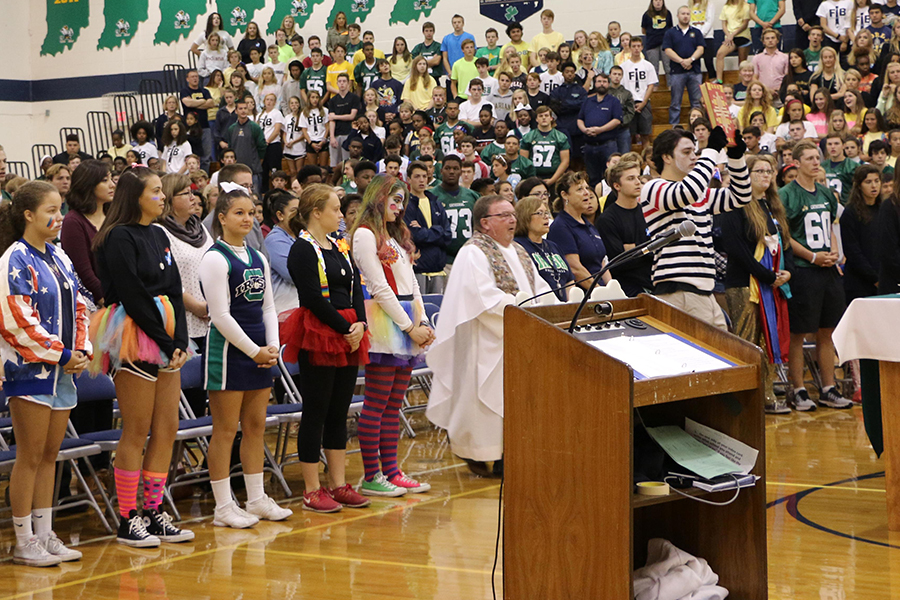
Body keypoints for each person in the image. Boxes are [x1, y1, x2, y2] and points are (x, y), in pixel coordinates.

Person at [91, 167, 193, 546]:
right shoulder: (118, 236)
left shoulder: (159, 233)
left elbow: (176, 288)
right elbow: (132, 293)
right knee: (137, 428)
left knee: (166, 428)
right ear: (135, 196)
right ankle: (127, 516)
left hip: (166, 331)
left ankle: (152, 511)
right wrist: (165, 342)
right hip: (134, 330)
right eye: (155, 191)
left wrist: (179, 340)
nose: (162, 196)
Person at [0, 181, 91, 566]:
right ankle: (24, 541)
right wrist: (63, 354)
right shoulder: (13, 259)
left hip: (63, 369)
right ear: (28, 215)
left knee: (51, 454)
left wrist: (82, 349)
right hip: (29, 371)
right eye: (50, 211)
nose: (59, 218)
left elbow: (81, 304)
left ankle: (45, 532)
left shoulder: (59, 256)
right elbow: (15, 322)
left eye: (61, 209)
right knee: (31, 455)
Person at [427, 194, 550, 476]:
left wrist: (547, 306)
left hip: (520, 338)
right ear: (484, 223)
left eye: (513, 214)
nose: (512, 220)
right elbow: (481, 297)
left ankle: (513, 453)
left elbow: (538, 287)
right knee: (486, 402)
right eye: (503, 215)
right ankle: (483, 456)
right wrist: (523, 309)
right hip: (486, 342)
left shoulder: (519, 251)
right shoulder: (473, 252)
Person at [199, 186, 292, 528]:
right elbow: (219, 316)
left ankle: (255, 498)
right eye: (239, 213)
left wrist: (272, 347)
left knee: (255, 427)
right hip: (228, 352)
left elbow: (268, 305)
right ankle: (223, 505)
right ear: (221, 217)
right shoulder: (214, 257)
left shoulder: (258, 257)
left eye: (251, 213)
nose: (247, 219)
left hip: (259, 352)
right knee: (225, 430)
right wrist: (254, 352)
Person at [281, 184, 371, 512]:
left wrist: (360, 324)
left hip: (349, 332)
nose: (340, 215)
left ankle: (339, 484)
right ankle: (311, 488)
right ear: (316, 212)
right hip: (321, 331)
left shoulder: (339, 245)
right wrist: (345, 327)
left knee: (339, 410)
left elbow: (356, 289)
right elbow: (312, 299)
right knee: (316, 411)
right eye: (335, 209)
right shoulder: (302, 250)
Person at [351, 175, 434, 495]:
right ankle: (372, 475)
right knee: (376, 403)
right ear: (378, 198)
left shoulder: (396, 236)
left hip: (406, 321)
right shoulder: (363, 235)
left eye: (403, 201)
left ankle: (392, 470)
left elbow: (412, 286)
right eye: (394, 200)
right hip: (385, 323)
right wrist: (409, 326)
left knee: (393, 404)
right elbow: (378, 288)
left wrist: (423, 322)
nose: (399, 207)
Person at [641, 127, 751, 329]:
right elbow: (686, 192)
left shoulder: (700, 195)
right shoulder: (653, 188)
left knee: (722, 357)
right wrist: (711, 151)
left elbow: (741, 196)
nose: (694, 157)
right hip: (679, 291)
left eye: (695, 151)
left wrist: (736, 157)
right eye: (686, 152)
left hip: (705, 291)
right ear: (666, 157)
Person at [716, 154, 793, 414]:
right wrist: (767, 275)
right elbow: (736, 248)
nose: (765, 175)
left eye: (769, 171)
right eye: (758, 171)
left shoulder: (772, 206)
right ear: (745, 176)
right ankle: (746, 398)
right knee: (747, 340)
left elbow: (783, 245)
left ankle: (767, 394)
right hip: (744, 283)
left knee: (767, 337)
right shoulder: (734, 205)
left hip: (771, 284)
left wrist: (786, 273)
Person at [780, 138, 853, 411]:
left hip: (827, 270)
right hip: (804, 270)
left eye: (817, 157)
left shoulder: (825, 194)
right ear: (796, 163)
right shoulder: (786, 194)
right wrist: (812, 256)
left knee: (828, 331)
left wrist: (833, 253)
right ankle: (797, 389)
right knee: (799, 332)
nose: (815, 162)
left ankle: (828, 387)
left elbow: (832, 228)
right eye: (809, 158)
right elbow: (785, 236)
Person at [157, 173, 213, 355]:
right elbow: (166, 279)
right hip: (184, 320)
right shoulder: (160, 232)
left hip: (212, 317)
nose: (193, 198)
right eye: (185, 193)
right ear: (169, 198)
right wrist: (196, 306)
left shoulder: (199, 227)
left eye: (193, 192)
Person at [60, 160, 114, 310]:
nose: (112, 185)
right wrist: (109, 302)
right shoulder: (73, 221)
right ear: (88, 185)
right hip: (99, 304)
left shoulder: (113, 215)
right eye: (105, 180)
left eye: (111, 178)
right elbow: (84, 272)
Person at [596, 157, 653, 297]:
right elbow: (619, 262)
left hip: (654, 281)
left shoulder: (648, 212)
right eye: (631, 178)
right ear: (617, 186)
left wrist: (634, 248)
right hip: (628, 288)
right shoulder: (607, 219)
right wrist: (647, 248)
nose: (637, 182)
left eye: (638, 177)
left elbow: (659, 249)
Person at [548, 170, 611, 289]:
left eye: (586, 188)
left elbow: (601, 263)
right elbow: (575, 268)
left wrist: (612, 288)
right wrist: (598, 291)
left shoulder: (589, 225)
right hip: (582, 295)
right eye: (579, 189)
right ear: (565, 195)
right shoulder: (561, 226)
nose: (586, 193)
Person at [514, 194, 574, 300]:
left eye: (546, 212)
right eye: (539, 213)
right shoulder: (518, 246)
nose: (546, 217)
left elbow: (569, 281)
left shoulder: (553, 246)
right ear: (525, 217)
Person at [404, 161, 452, 294]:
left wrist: (425, 231)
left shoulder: (436, 203)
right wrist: (437, 232)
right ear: (408, 179)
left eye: (424, 176)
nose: (421, 180)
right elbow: (414, 235)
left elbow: (447, 236)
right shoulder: (407, 205)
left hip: (438, 268)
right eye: (417, 176)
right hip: (418, 269)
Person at [841, 164, 882, 303]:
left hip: (884, 279)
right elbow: (852, 251)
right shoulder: (850, 213)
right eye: (868, 182)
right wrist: (874, 278)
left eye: (877, 181)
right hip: (858, 283)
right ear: (859, 185)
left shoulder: (885, 209)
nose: (874, 186)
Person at [430, 155, 481, 267]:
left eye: (455, 169)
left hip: (470, 258)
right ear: (441, 170)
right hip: (444, 260)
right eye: (448, 168)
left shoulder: (472, 196)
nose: (451, 172)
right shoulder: (431, 196)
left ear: (460, 171)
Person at [577, 72, 624, 189]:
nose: (601, 84)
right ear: (595, 84)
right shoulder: (588, 101)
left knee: (610, 176)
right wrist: (584, 130)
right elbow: (579, 119)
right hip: (589, 145)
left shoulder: (614, 101)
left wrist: (600, 130)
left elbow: (617, 120)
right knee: (592, 177)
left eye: (604, 81)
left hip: (607, 145)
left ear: (608, 84)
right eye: (599, 81)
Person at [664, 5, 705, 125]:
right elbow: (667, 50)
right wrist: (682, 61)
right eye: (683, 13)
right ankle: (674, 127)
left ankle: (698, 126)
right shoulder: (670, 32)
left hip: (695, 71)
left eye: (688, 14)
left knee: (696, 102)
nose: (685, 16)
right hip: (677, 72)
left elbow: (701, 49)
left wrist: (690, 60)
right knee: (675, 103)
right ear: (678, 16)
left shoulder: (696, 32)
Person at [521, 106, 571, 187]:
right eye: (540, 116)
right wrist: (532, 179)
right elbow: (524, 161)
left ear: (551, 118)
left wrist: (553, 180)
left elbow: (565, 162)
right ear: (536, 119)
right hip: (534, 177)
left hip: (555, 177)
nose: (544, 118)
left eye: (546, 115)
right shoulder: (528, 137)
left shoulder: (560, 137)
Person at [224, 98, 266, 192]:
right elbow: (230, 148)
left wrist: (258, 162)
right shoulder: (232, 129)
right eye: (241, 108)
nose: (243, 111)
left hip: (252, 171)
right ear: (236, 111)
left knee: (254, 197)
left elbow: (262, 147)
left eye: (245, 108)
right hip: (236, 171)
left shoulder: (255, 127)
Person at [180, 70, 215, 172]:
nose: (195, 78)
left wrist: (194, 103)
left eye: (196, 76)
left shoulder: (205, 91)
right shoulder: (185, 91)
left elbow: (211, 103)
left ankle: (203, 176)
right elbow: (188, 104)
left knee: (206, 156)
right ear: (187, 79)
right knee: (192, 156)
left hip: (204, 126)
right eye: (192, 77)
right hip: (190, 128)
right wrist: (202, 102)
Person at [328, 74, 360, 169]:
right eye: (340, 81)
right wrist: (332, 136)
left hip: (348, 133)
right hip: (337, 133)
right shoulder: (333, 100)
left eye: (344, 81)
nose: (342, 84)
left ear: (348, 84)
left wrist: (336, 116)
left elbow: (351, 116)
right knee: (335, 164)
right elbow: (331, 120)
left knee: (347, 162)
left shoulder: (354, 98)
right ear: (337, 83)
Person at [643, 0, 674, 78]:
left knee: (668, 66)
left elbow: (670, 28)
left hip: (665, 44)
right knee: (653, 67)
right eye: (656, 0)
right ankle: (654, 87)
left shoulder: (667, 13)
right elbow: (644, 30)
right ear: (652, 2)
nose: (658, 2)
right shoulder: (647, 15)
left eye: (660, 0)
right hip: (652, 44)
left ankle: (671, 86)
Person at [753, 28, 789, 92]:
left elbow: (787, 76)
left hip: (781, 91)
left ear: (777, 40)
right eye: (767, 38)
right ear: (763, 41)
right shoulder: (757, 58)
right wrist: (766, 89)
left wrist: (781, 89)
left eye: (773, 38)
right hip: (763, 92)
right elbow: (755, 77)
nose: (770, 40)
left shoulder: (785, 57)